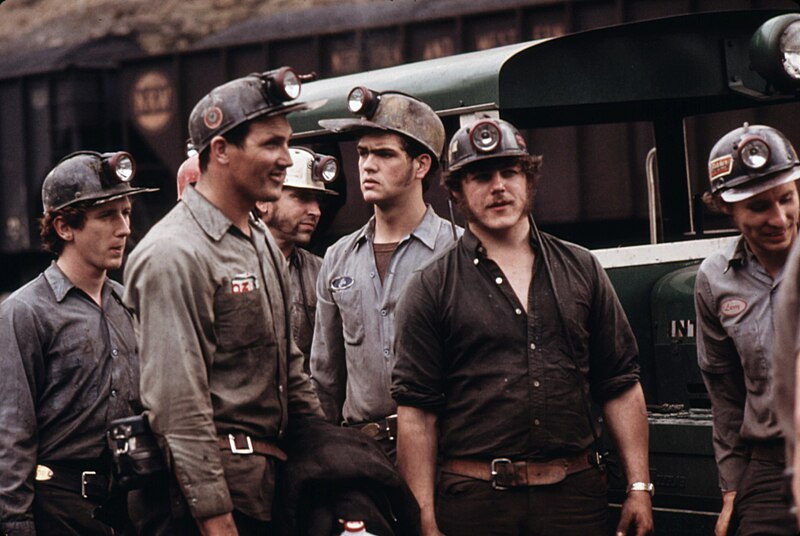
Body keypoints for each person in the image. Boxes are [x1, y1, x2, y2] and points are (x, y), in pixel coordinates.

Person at [392, 117, 654, 536]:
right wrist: (424, 518)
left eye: (509, 172)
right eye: (480, 176)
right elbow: (417, 415)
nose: (498, 186)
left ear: (529, 179)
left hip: (574, 499)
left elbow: (620, 383)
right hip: (475, 503)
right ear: (457, 192)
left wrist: (639, 486)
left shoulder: (582, 268)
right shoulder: (430, 286)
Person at [123, 67, 324, 535]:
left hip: (266, 493)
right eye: (271, 144)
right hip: (209, 507)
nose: (285, 159)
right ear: (221, 151)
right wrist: (215, 518)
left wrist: (324, 457)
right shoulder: (174, 253)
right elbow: (178, 403)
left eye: (287, 143)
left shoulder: (259, 242)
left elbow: (290, 369)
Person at [0, 151, 156, 535]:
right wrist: (15, 522)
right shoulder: (25, 312)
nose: (123, 229)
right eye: (107, 216)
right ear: (64, 227)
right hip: (58, 506)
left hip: (129, 501)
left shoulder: (130, 304)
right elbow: (13, 428)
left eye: (126, 213)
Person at [310, 87, 460, 459]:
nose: (367, 165)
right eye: (362, 153)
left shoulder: (457, 250)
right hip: (363, 451)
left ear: (421, 165)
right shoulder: (337, 258)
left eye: (384, 154)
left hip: (445, 448)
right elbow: (325, 378)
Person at [695, 123, 800, 535]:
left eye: (787, 199)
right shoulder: (716, 279)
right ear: (726, 208)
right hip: (770, 469)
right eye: (758, 207)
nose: (779, 218)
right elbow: (725, 393)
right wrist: (732, 490)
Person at [255, 146, 339, 370]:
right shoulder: (229, 266)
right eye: (301, 197)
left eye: (317, 200)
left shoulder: (323, 272)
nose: (316, 211)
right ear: (262, 200)